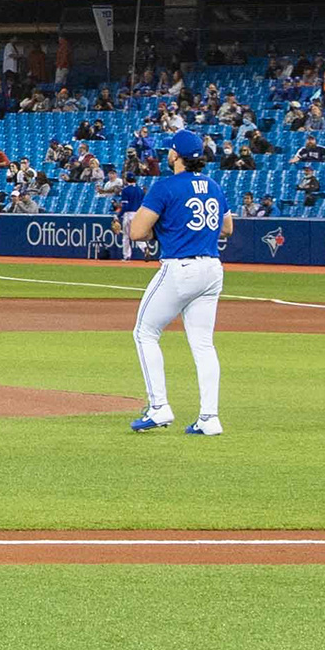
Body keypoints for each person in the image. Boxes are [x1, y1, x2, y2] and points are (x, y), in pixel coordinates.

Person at [121, 131, 232, 435]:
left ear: (177, 155)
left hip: (180, 268)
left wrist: (167, 229)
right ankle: (209, 418)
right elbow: (228, 227)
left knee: (145, 332)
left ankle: (159, 407)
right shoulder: (213, 185)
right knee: (204, 344)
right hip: (212, 268)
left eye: (170, 151)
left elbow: (137, 232)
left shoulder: (166, 186)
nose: (168, 154)